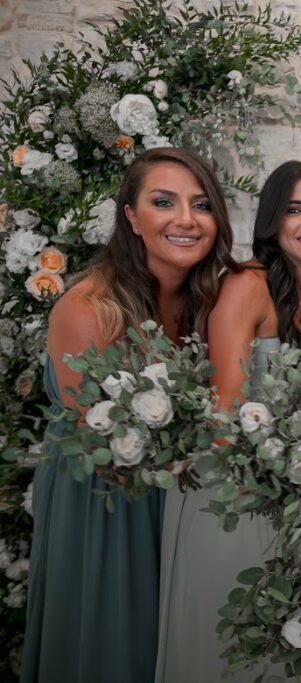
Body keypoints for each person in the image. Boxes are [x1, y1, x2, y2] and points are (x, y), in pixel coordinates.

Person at [22, 148, 238, 683]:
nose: (186, 220)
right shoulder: (88, 307)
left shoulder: (207, 299)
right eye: (164, 202)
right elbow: (103, 446)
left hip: (174, 500)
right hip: (102, 506)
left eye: (201, 205)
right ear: (131, 216)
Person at [155, 161, 301, 682]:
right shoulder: (247, 284)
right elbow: (223, 411)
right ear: (272, 222)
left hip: (289, 507)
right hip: (233, 499)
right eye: (294, 209)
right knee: (231, 649)